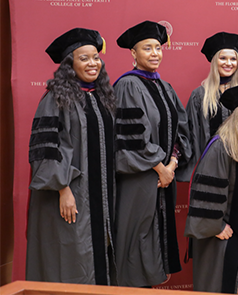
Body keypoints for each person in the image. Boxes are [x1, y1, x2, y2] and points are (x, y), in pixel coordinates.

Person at [27, 28, 116, 284]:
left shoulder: (102, 97)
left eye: (96, 57)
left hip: (100, 194)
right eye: (84, 58)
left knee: (99, 253)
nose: (93, 63)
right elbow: (46, 148)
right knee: (74, 253)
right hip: (72, 193)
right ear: (70, 64)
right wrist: (63, 188)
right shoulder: (56, 98)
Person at [113, 20, 191, 287]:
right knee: (136, 238)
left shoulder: (164, 87)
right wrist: (161, 168)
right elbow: (132, 136)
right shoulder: (127, 86)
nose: (155, 53)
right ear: (133, 53)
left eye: (158, 47)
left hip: (162, 178)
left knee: (156, 239)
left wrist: (173, 162)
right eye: (148, 48)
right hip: (140, 179)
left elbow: (181, 130)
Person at [185, 80, 238, 294]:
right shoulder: (221, 146)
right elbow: (206, 193)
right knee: (237, 273)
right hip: (224, 228)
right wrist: (216, 224)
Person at [177, 32, 238, 181]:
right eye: (223, 58)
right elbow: (190, 134)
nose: (228, 63)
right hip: (209, 167)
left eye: (233, 59)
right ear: (215, 61)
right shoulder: (199, 95)